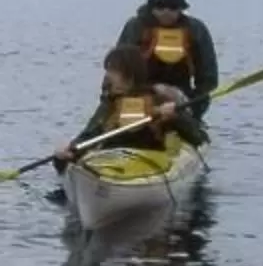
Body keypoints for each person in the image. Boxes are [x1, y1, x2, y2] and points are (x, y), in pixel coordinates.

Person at [48, 42, 186, 173]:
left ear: (130, 74)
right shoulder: (110, 104)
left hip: (151, 160)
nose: (108, 76)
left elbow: (195, 135)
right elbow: (90, 134)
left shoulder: (158, 99)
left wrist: (175, 117)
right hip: (113, 161)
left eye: (114, 71)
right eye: (108, 70)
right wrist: (67, 152)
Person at [114, 0, 217, 145]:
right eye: (161, 7)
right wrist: (153, 91)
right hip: (139, 96)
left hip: (180, 100)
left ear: (181, 9)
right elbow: (118, 73)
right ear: (153, 6)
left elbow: (208, 78)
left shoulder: (196, 30)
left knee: (179, 117)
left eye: (173, 8)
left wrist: (194, 111)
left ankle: (188, 133)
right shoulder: (135, 27)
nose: (166, 12)